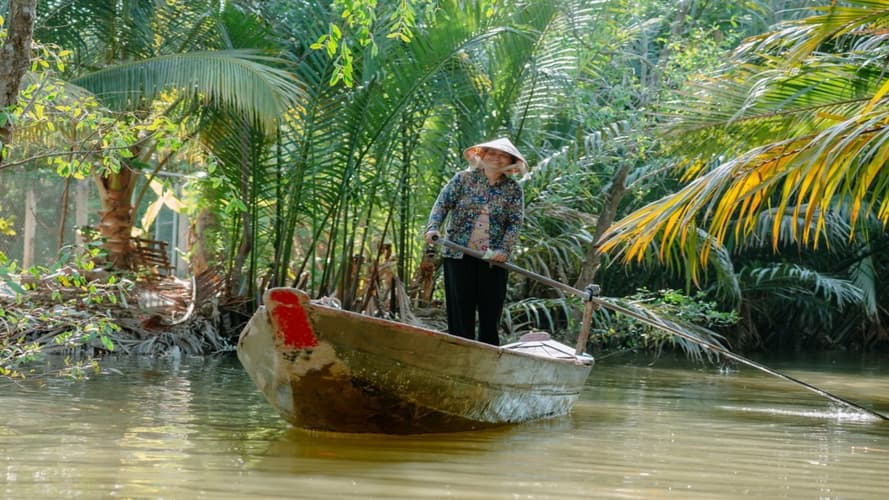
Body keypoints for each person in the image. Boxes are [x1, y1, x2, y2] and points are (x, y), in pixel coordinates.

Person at [424, 138, 527, 346]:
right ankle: (460, 352)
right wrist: (433, 227)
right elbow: (442, 205)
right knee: (460, 311)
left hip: (493, 259)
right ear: (482, 155)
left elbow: (514, 224)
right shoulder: (463, 179)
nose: (496, 159)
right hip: (458, 254)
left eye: (502, 155)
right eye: (492, 154)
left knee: (490, 313)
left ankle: (487, 357)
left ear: (510, 161)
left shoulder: (513, 190)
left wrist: (503, 250)